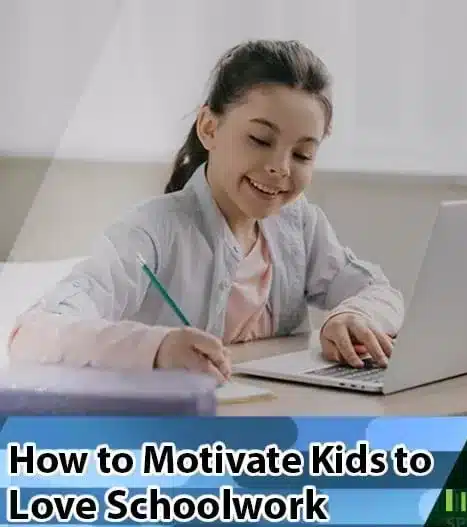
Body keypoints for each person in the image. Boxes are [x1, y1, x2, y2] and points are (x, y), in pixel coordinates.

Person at [7, 39, 404, 384]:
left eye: (302, 153)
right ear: (209, 128)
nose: (281, 167)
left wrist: (354, 315)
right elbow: (30, 333)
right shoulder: (151, 231)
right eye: (260, 139)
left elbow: (380, 291)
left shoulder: (299, 223)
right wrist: (157, 348)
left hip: (275, 426)